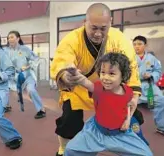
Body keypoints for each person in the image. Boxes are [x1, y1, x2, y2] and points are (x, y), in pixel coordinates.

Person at [50, 3, 142, 156]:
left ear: (110, 23)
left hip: (110, 88)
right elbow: (62, 60)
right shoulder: (72, 39)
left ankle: (134, 145)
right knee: (69, 121)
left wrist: (135, 96)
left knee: (134, 116)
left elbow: (131, 66)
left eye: (103, 28)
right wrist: (67, 75)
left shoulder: (119, 39)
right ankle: (63, 149)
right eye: (94, 28)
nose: (98, 34)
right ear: (84, 23)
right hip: (79, 87)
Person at [63, 53, 153, 156]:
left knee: (146, 154)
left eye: (111, 74)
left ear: (122, 76)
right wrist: (76, 74)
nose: (105, 77)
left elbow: (128, 107)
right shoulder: (99, 89)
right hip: (95, 132)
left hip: (120, 134)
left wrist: (127, 121)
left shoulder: (128, 92)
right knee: (70, 150)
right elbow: (85, 82)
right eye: (103, 72)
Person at [4, 31, 46, 119]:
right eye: (8, 38)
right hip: (13, 77)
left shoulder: (25, 49)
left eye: (12, 37)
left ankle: (41, 109)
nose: (9, 39)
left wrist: (28, 65)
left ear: (18, 38)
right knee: (3, 87)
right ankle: (6, 106)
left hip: (27, 76)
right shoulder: (5, 50)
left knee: (31, 90)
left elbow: (35, 59)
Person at [133, 35, 164, 135]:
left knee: (161, 101)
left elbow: (158, 71)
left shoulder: (152, 58)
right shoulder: (130, 58)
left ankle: (161, 126)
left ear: (145, 45)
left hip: (149, 85)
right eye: (134, 44)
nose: (136, 46)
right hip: (135, 86)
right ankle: (125, 127)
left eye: (139, 44)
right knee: (126, 104)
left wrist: (151, 75)